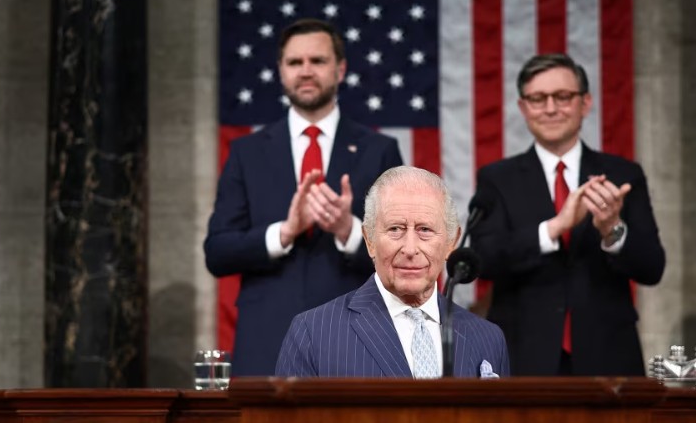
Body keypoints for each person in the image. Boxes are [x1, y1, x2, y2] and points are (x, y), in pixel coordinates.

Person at [204, 19, 403, 376]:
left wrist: (348, 230)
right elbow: (217, 252)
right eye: (295, 62)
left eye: (318, 61)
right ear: (281, 72)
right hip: (267, 342)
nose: (306, 71)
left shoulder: (379, 150)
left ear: (340, 69)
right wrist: (284, 232)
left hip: (357, 339)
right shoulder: (247, 153)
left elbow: (402, 251)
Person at [470, 54, 665, 376]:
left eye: (562, 97)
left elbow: (652, 268)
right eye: (538, 99)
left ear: (585, 103)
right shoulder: (498, 178)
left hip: (608, 356)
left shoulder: (623, 174)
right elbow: (484, 259)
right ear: (523, 108)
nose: (550, 108)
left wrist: (612, 230)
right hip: (524, 356)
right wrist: (554, 228)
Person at [275, 166, 510, 378]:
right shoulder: (313, 333)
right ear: (369, 240)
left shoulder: (488, 339)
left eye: (425, 230)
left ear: (451, 242)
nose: (410, 249)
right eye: (395, 229)